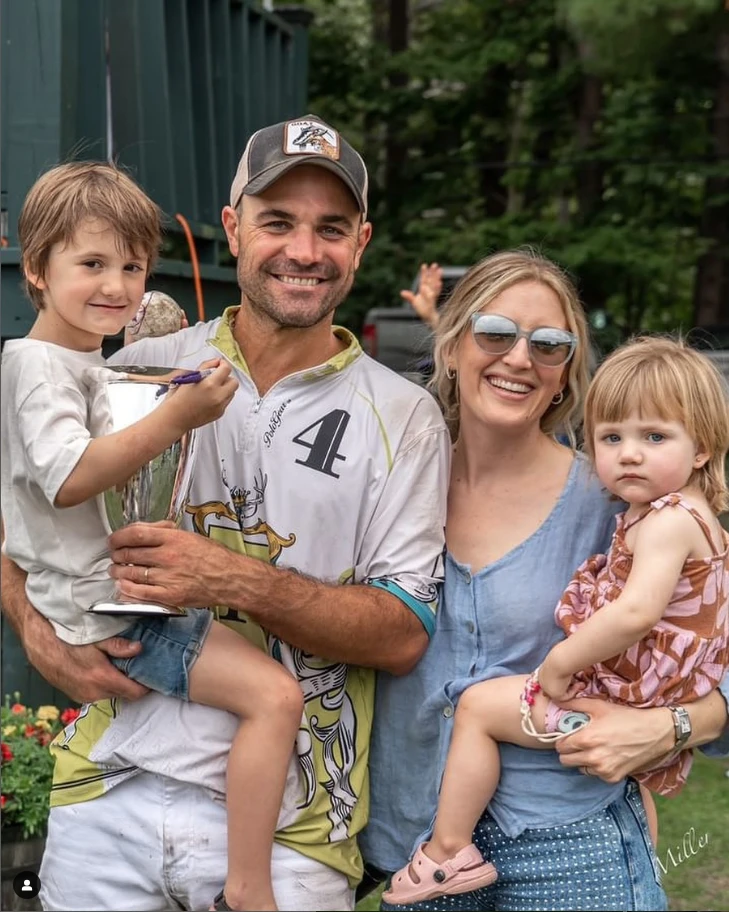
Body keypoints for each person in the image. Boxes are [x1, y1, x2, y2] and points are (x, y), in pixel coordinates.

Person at [0, 115, 450, 912]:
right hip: (107, 792)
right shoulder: (133, 369)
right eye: (277, 222)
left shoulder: (405, 416)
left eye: (331, 229)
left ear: (363, 242)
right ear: (234, 228)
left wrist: (236, 579)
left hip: (289, 834)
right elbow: (20, 503)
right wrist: (39, 632)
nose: (304, 250)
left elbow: (404, 634)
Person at [362, 250, 729, 912]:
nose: (518, 357)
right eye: (494, 332)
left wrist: (673, 725)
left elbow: (708, 631)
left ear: (564, 372)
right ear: (450, 346)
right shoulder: (387, 483)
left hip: (567, 839)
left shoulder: (617, 498)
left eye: (548, 343)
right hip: (417, 843)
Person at [0, 160, 311, 912]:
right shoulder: (38, 365)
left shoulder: (77, 359)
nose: (116, 285)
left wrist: (166, 395)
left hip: (102, 591)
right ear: (37, 269)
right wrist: (178, 418)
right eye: (92, 264)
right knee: (274, 698)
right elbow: (71, 476)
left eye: (132, 266)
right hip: (106, 606)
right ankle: (249, 887)